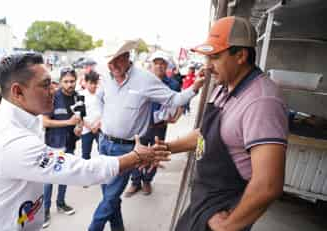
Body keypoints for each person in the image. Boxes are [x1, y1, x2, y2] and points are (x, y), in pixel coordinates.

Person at [0, 53, 170, 231]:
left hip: (19, 220)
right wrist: (135, 157)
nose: (53, 90)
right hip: (0, 225)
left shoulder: (17, 115)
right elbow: (82, 170)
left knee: (111, 200)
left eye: (51, 83)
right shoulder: (9, 140)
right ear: (17, 91)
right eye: (45, 85)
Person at [161, 16, 288, 231]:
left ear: (240, 55)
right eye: (207, 57)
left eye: (215, 57)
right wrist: (166, 148)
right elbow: (206, 135)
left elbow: (268, 185)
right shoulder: (224, 86)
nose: (208, 66)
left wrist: (229, 225)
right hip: (204, 200)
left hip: (226, 208)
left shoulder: (262, 102)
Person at [88, 40, 204, 231]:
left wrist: (194, 88)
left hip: (127, 149)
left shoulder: (145, 79)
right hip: (104, 144)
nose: (113, 66)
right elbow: (99, 99)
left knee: (109, 197)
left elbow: (174, 99)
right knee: (110, 196)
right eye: (109, 61)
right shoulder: (107, 78)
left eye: (117, 60)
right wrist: (100, 117)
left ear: (127, 57)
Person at [125, 51, 184, 197]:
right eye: (156, 63)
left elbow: (181, 102)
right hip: (142, 125)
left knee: (156, 153)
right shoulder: (143, 81)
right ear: (151, 65)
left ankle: (147, 181)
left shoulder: (173, 84)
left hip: (160, 126)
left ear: (167, 66)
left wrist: (176, 117)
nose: (159, 66)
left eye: (162, 63)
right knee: (138, 152)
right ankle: (135, 182)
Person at [42, 67, 82, 227]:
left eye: (72, 81)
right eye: (66, 81)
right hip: (53, 144)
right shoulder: (52, 97)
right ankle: (44, 210)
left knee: (65, 175)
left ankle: (60, 203)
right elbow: (44, 121)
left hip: (70, 143)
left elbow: (79, 119)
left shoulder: (79, 97)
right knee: (49, 179)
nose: (69, 84)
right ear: (60, 82)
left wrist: (79, 128)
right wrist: (67, 122)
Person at [80, 71, 101, 161]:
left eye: (95, 83)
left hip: (100, 128)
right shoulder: (81, 95)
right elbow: (79, 115)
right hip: (86, 130)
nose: (93, 86)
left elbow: (104, 111)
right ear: (86, 82)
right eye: (91, 83)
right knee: (85, 155)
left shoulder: (100, 94)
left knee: (102, 152)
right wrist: (90, 127)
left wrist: (97, 125)